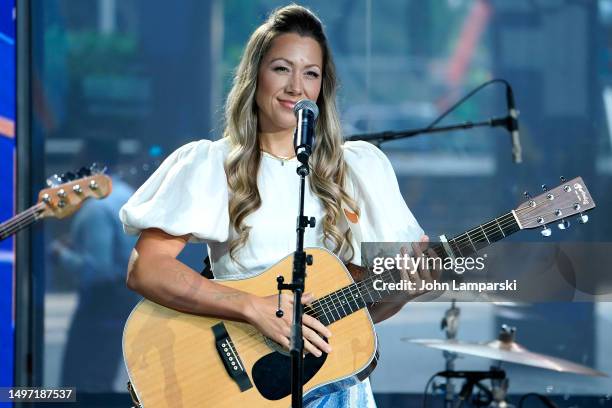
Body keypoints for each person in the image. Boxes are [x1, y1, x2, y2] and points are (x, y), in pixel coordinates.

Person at [119, 5, 433, 407]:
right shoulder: (213, 164)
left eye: (311, 73)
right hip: (238, 388)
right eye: (282, 68)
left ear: (324, 87)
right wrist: (253, 307)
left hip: (335, 389)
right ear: (256, 76)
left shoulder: (358, 169)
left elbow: (360, 315)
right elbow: (146, 268)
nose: (296, 87)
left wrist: (404, 291)